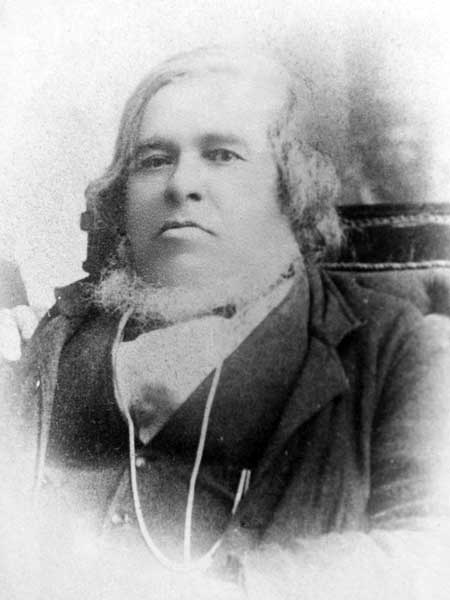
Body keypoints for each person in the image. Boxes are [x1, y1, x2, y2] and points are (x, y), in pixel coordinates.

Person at [2, 46, 450, 600]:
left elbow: (431, 552)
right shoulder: (49, 342)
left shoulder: (399, 350)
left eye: (222, 155)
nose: (181, 184)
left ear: (291, 189)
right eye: (153, 159)